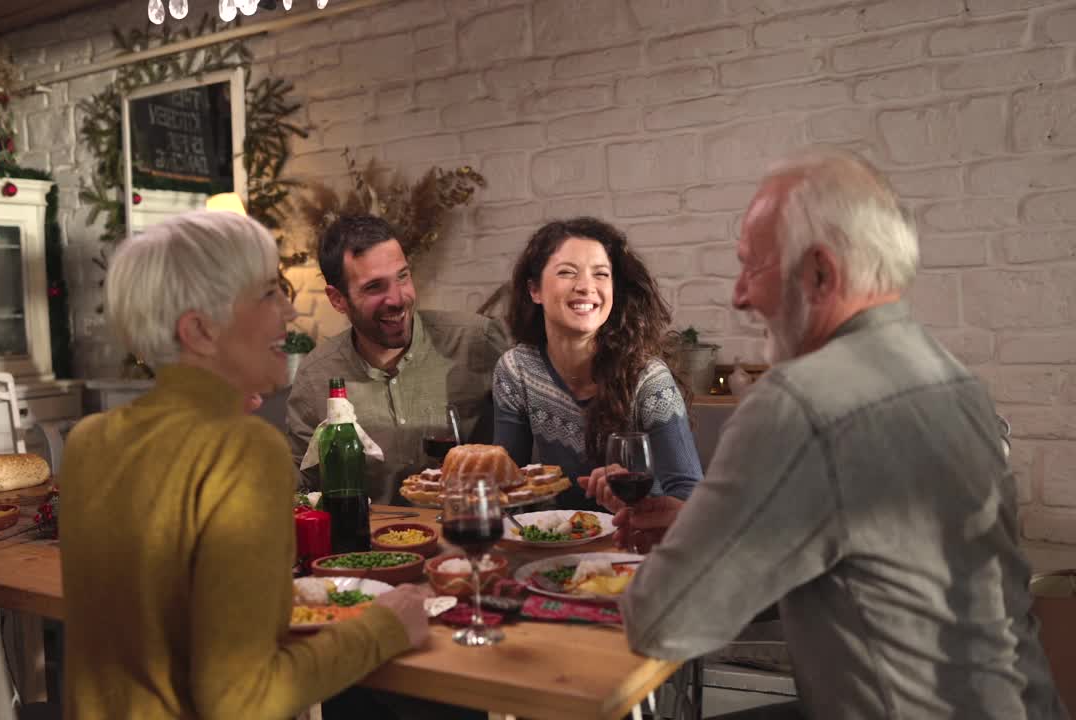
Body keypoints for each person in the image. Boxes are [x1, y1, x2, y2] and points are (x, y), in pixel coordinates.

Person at [583, 148, 1067, 719]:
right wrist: (702, 524)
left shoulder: (799, 401)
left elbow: (662, 620)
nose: (739, 294)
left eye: (751, 265)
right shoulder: (951, 377)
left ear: (819, 273)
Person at [59, 210, 431, 719]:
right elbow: (244, 702)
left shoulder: (88, 441)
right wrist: (386, 627)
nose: (290, 312)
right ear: (200, 331)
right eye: (267, 294)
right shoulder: (244, 450)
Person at [286, 214, 510, 502]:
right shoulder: (315, 377)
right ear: (337, 299)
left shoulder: (477, 341)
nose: (397, 298)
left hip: (473, 531)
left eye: (402, 276)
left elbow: (527, 450)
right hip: (371, 544)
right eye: (374, 287)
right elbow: (304, 486)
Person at [494, 217, 702, 512]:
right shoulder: (516, 370)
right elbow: (505, 488)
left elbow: (691, 497)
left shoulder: (648, 378)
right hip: (556, 542)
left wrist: (636, 502)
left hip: (637, 544)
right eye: (567, 272)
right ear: (534, 290)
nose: (585, 287)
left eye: (601, 274)